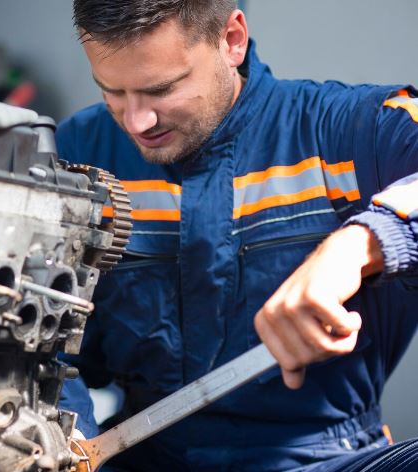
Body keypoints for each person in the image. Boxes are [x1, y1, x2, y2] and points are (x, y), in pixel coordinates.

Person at [56, 1, 418, 470]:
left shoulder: (347, 131)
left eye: (161, 89)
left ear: (232, 40)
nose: (136, 122)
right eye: (112, 92)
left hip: (323, 459)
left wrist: (359, 245)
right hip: (139, 456)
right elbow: (39, 346)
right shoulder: (79, 154)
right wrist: (69, 436)